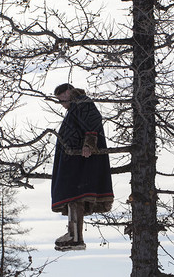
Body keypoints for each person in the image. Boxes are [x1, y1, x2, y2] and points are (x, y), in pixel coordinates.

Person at [51, 83, 114, 251]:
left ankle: (76, 236)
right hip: (73, 157)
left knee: (74, 194)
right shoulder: (76, 107)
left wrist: (89, 145)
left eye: (62, 99)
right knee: (73, 196)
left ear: (68, 92)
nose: (62, 104)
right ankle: (74, 235)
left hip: (80, 158)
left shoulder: (83, 103)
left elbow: (93, 122)